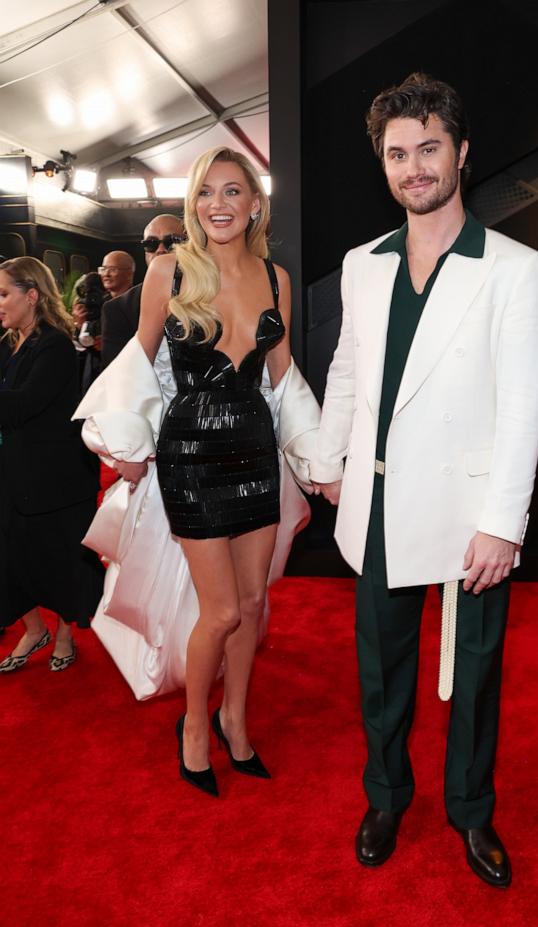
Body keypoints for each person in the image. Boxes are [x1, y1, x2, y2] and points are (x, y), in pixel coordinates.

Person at [310, 73, 538, 887]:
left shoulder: (512, 268)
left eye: (428, 149)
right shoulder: (362, 264)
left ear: (460, 154)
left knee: (476, 676)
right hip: (376, 505)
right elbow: (347, 368)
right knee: (381, 668)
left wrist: (503, 522)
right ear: (383, 165)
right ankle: (386, 797)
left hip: (469, 511)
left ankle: (472, 811)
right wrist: (328, 458)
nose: (413, 167)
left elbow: (523, 406)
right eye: (397, 154)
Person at [111, 147, 295, 798]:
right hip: (189, 454)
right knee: (218, 612)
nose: (217, 204)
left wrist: (318, 454)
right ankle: (193, 727)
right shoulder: (168, 270)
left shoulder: (277, 278)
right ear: (193, 204)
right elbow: (136, 364)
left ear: (253, 204)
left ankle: (234, 718)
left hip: (254, 450)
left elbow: (285, 381)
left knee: (252, 603)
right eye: (205, 193)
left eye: (232, 192)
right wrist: (124, 441)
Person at [0, 257, 104, 673]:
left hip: (57, 479)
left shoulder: (55, 345)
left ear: (32, 296)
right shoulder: (8, 343)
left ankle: (62, 634)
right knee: (9, 558)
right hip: (14, 474)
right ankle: (32, 628)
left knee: (63, 561)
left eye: (4, 293)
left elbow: (23, 405)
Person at [101, 215, 185, 369]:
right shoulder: (118, 309)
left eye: (171, 242)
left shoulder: (214, 296)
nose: (160, 250)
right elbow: (118, 376)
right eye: (151, 244)